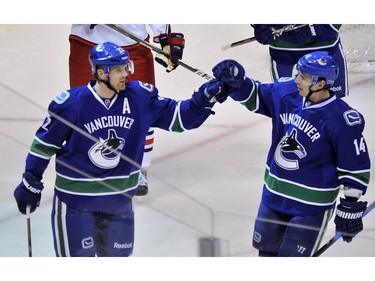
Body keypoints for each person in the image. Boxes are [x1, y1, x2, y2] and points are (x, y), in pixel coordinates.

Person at [13, 42, 227, 257]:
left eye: (126, 67)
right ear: (100, 72)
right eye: (117, 70)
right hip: (75, 203)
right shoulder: (70, 104)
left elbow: (181, 119)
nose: (125, 74)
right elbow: (44, 145)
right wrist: (31, 180)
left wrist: (204, 98)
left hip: (119, 204)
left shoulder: (141, 98)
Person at [212, 51, 370, 257]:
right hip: (273, 195)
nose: (297, 80)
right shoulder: (287, 92)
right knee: (266, 254)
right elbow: (257, 95)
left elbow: (354, 165)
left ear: (321, 83)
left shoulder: (341, 119)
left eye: (304, 77)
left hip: (310, 206)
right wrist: (238, 82)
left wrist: (350, 205)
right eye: (299, 74)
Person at [69, 24, 185, 196]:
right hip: (86, 42)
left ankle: (137, 168)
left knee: (141, 108)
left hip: (131, 43)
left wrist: (164, 37)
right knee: (84, 110)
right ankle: (90, 169)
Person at [251, 24, 348, 98]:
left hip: (325, 48)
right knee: (285, 101)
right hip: (283, 50)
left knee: (331, 104)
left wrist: (321, 28)